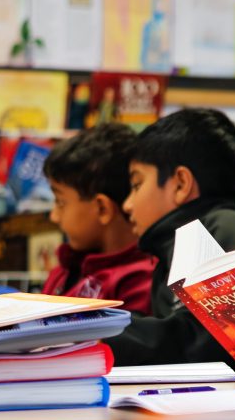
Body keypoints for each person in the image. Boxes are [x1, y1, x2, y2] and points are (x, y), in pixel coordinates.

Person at [105, 107, 235, 367]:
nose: (128, 204)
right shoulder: (168, 251)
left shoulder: (226, 228)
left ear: (180, 184)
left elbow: (206, 343)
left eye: (137, 185)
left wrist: (91, 334)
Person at [41, 123, 155, 313]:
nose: (54, 216)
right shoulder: (66, 268)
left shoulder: (139, 282)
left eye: (60, 202)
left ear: (102, 208)